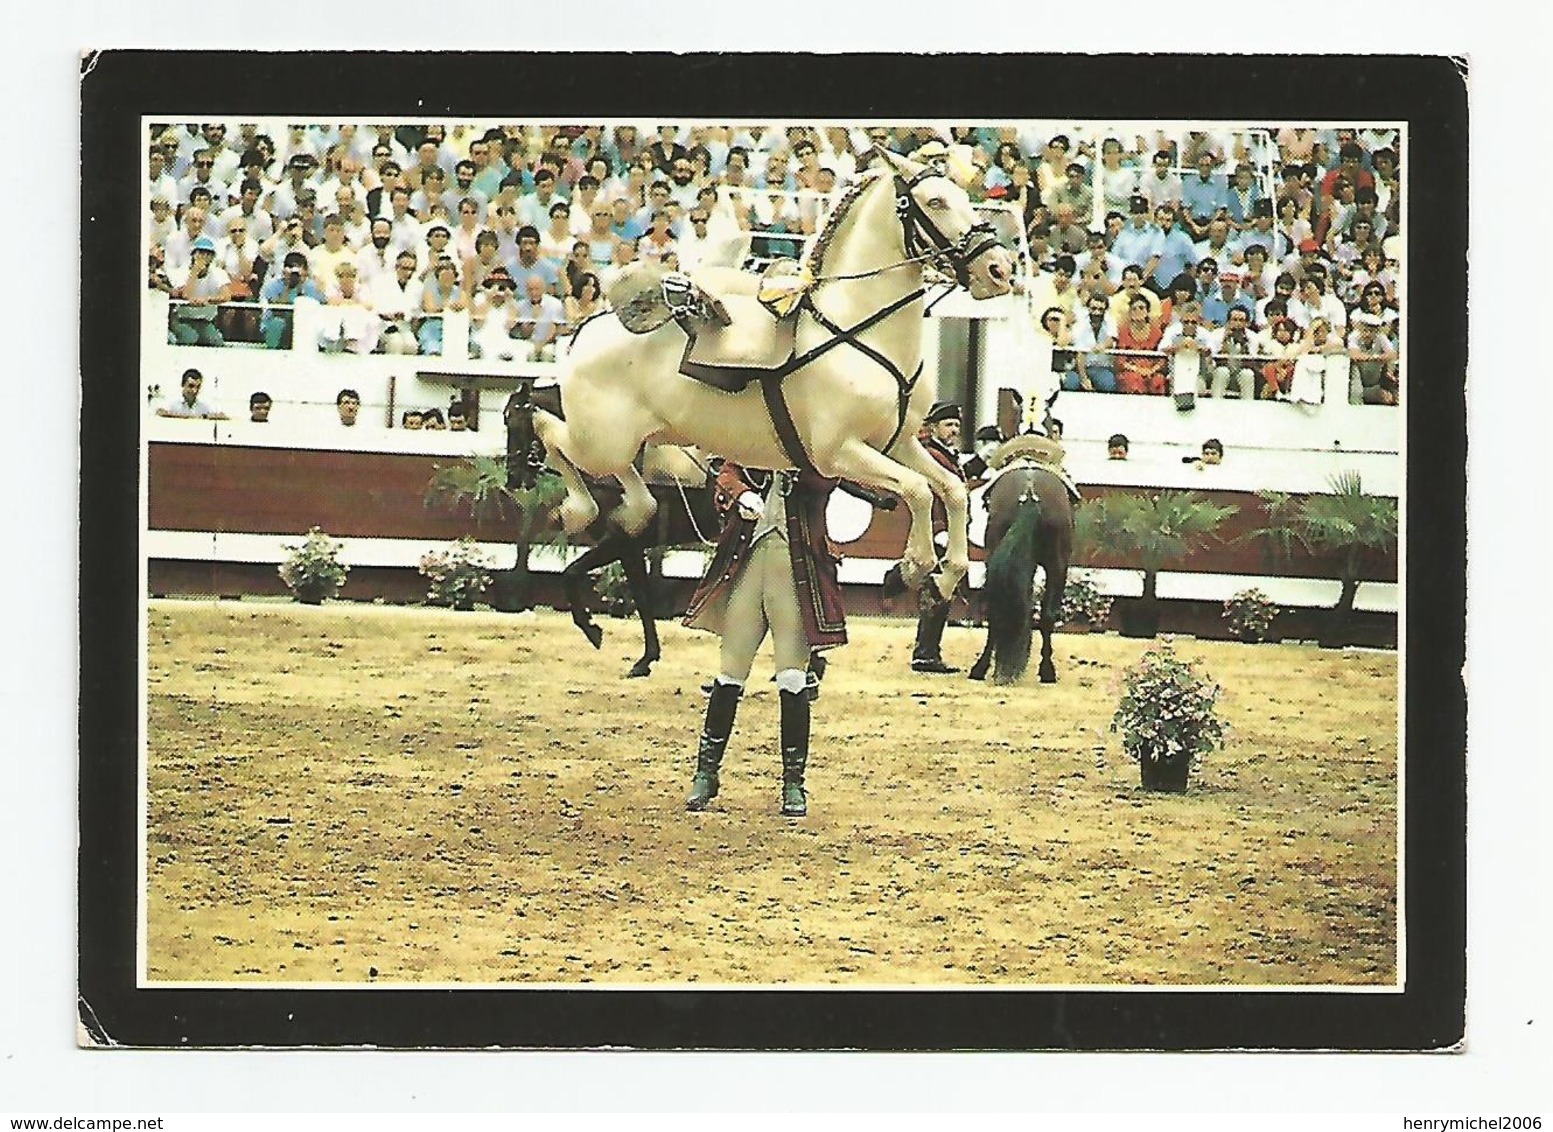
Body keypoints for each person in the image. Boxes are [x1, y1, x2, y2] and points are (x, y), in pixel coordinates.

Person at [681, 460, 846, 818]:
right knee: (730, 673)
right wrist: (741, 493)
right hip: (751, 563)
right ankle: (706, 773)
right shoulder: (753, 443)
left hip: (795, 568)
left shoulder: (816, 445)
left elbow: (825, 481)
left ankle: (793, 781)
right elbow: (728, 473)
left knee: (792, 677)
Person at [910, 402, 967, 675]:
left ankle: (928, 651)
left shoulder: (944, 453)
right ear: (933, 428)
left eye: (956, 425)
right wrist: (940, 529)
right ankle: (925, 653)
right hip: (935, 530)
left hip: (943, 530)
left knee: (941, 591)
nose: (954, 430)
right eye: (948, 425)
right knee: (937, 591)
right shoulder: (930, 454)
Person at [168, 236, 232, 346]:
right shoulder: (182, 272)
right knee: (190, 337)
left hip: (205, 321)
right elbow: (186, 294)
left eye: (208, 254)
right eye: (200, 253)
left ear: (212, 257)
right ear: (193, 254)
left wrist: (209, 299)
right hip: (183, 319)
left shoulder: (218, 273)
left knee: (216, 341)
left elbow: (226, 295)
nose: (204, 256)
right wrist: (195, 271)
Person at [1068, 293, 1118, 393]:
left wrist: (1103, 345)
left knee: (1109, 384)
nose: (1096, 313)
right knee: (1070, 384)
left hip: (1102, 367)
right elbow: (1080, 353)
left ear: (1105, 310)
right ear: (1088, 308)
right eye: (1093, 308)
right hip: (1080, 367)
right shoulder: (1080, 324)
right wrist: (1084, 378)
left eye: (1100, 310)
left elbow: (1113, 338)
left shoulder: (1110, 321)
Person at [1208, 306, 1260, 399]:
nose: (1237, 323)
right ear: (1228, 321)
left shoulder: (1253, 337)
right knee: (1222, 371)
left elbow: (1252, 362)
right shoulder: (1216, 334)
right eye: (1234, 320)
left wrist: (1244, 342)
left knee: (1247, 374)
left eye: (1241, 320)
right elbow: (1213, 359)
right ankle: (1216, 404)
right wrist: (1225, 341)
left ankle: (1248, 407)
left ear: (1247, 323)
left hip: (1241, 373)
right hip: (1220, 372)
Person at [156, 368, 228, 419]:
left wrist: (204, 416)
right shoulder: (172, 402)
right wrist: (189, 417)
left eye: (198, 387)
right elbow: (159, 412)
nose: (194, 390)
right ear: (182, 384)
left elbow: (223, 415)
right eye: (191, 386)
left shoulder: (203, 405)